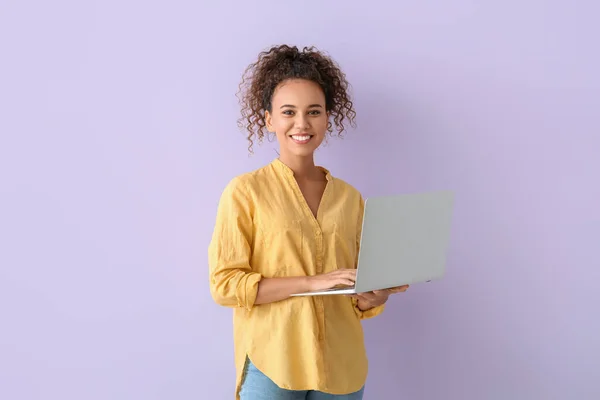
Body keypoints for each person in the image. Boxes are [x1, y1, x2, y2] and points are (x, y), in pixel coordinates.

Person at [208, 44, 409, 400]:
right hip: (275, 362)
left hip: (341, 366)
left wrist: (374, 295)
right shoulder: (245, 192)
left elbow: (357, 293)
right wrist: (314, 282)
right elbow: (225, 284)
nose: (302, 123)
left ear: (328, 117)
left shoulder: (350, 198)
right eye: (289, 112)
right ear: (269, 119)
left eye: (313, 111)